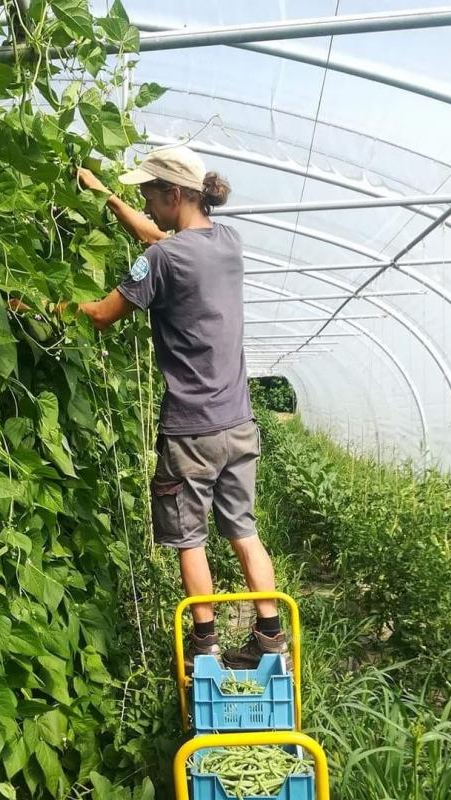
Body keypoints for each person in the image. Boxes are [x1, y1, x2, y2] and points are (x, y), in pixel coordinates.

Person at [75, 145, 288, 671]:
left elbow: (103, 315)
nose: (146, 204)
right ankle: (270, 639)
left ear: (174, 194)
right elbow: (162, 242)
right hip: (238, 423)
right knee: (243, 530)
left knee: (189, 537)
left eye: (149, 194)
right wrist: (109, 200)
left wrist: (41, 305)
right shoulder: (227, 242)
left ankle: (206, 647)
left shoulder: (161, 259)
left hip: (190, 432)